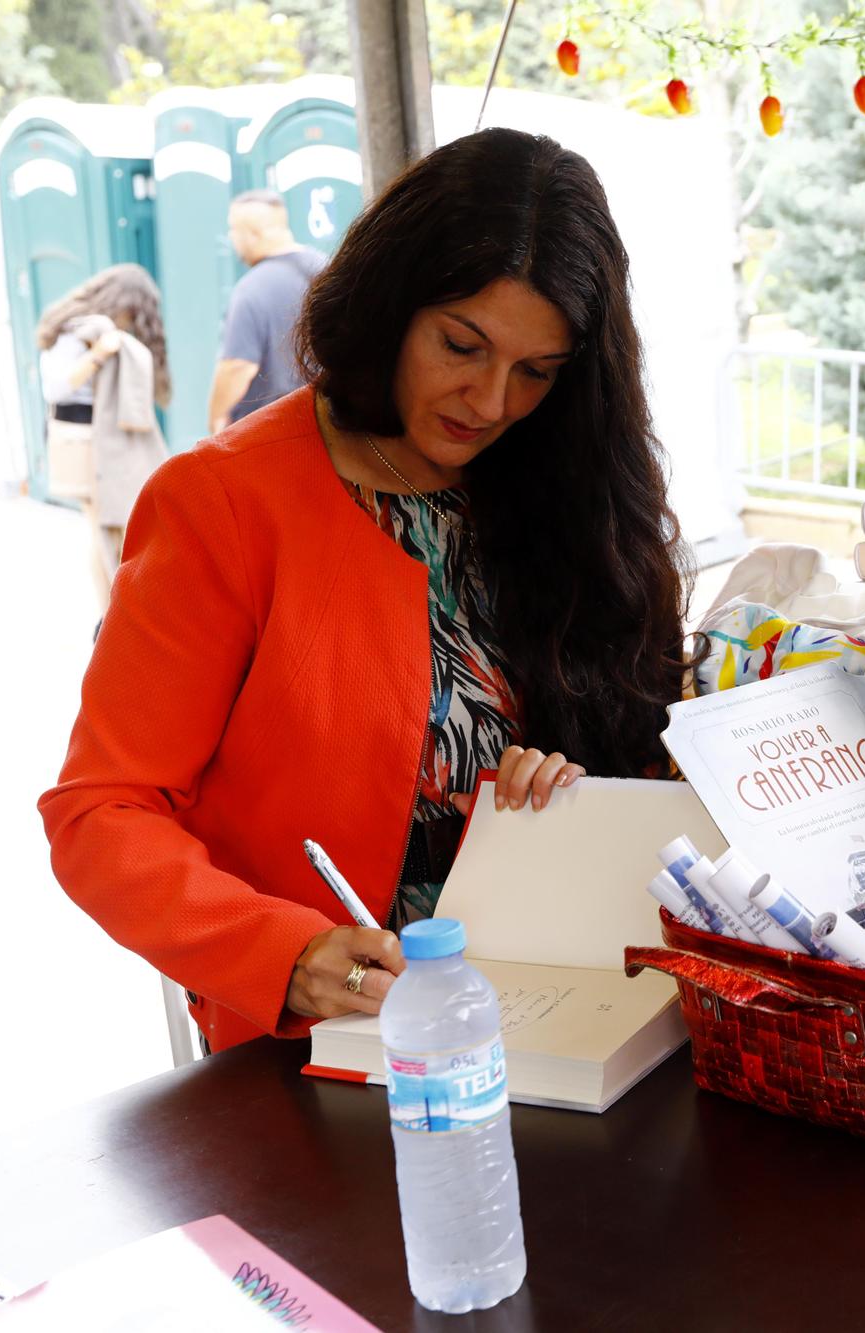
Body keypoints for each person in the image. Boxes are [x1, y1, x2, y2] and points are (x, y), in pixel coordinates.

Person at [39, 130, 694, 1053]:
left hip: (570, 1021)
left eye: (537, 372)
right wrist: (285, 951)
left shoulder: (566, 485)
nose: (492, 401)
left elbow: (639, 746)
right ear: (391, 303)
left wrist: (569, 797)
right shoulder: (224, 503)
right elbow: (99, 812)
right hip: (328, 1045)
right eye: (461, 345)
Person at [37, 264, 171, 608]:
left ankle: (113, 608)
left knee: (108, 526)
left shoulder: (96, 330)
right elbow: (56, 388)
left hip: (97, 437)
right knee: (102, 527)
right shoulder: (76, 332)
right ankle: (110, 612)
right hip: (79, 439)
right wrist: (99, 354)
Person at [207, 190, 329, 434]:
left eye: (233, 230)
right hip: (328, 425)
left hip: (270, 433)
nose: (231, 238)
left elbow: (237, 367)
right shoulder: (329, 268)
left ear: (253, 234)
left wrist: (216, 418)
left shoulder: (251, 288)